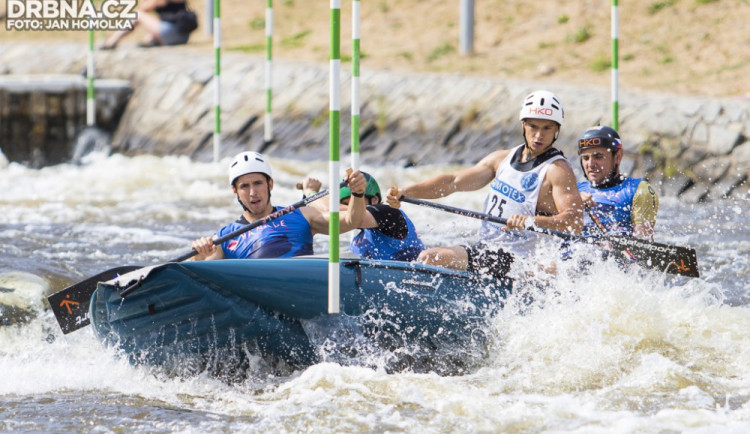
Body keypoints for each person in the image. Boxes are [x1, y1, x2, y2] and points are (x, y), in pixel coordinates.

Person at [386, 90, 584, 277]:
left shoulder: (557, 170)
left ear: (557, 129)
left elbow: (574, 222)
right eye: (533, 126)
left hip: (521, 263)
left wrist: (531, 221)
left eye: (547, 128)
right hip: (487, 250)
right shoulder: (501, 159)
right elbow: (452, 182)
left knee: (430, 257)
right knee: (426, 254)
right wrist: (406, 191)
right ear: (523, 124)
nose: (539, 135)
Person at [190, 151, 366, 260]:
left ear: (270, 185)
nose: (253, 192)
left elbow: (352, 221)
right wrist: (199, 255)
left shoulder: (302, 215)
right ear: (235, 191)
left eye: (258, 183)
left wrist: (358, 194)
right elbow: (202, 271)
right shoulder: (225, 238)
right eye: (244, 186)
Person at [300, 172, 425, 261]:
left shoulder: (389, 213)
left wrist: (311, 192)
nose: (348, 209)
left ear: (375, 199)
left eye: (355, 201)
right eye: (345, 204)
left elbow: (331, 211)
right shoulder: (358, 240)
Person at [577, 125, 659, 241]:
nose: (590, 164)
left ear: (618, 157)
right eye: (585, 158)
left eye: (598, 156)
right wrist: (572, 200)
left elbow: (643, 248)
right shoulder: (573, 190)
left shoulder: (638, 190)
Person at [100, 0, 197, 50]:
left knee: (137, 14)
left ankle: (112, 41)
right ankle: (153, 40)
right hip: (184, 37)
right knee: (149, 38)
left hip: (169, 32)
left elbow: (144, 8)